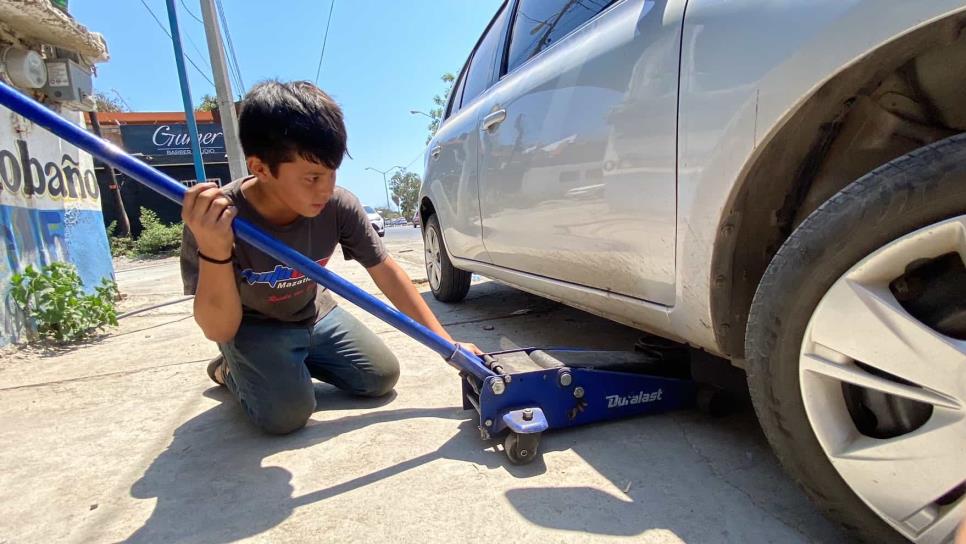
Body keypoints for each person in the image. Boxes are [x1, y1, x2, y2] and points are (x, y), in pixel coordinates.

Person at [180, 80, 481, 435]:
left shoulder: (338, 206)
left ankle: (288, 365)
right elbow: (219, 328)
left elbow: (385, 271)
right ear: (260, 168)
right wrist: (214, 249)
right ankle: (232, 370)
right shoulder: (217, 220)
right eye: (312, 177)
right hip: (252, 325)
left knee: (381, 377)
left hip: (314, 313)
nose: (325, 189)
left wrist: (448, 346)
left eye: (332, 172)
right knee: (286, 417)